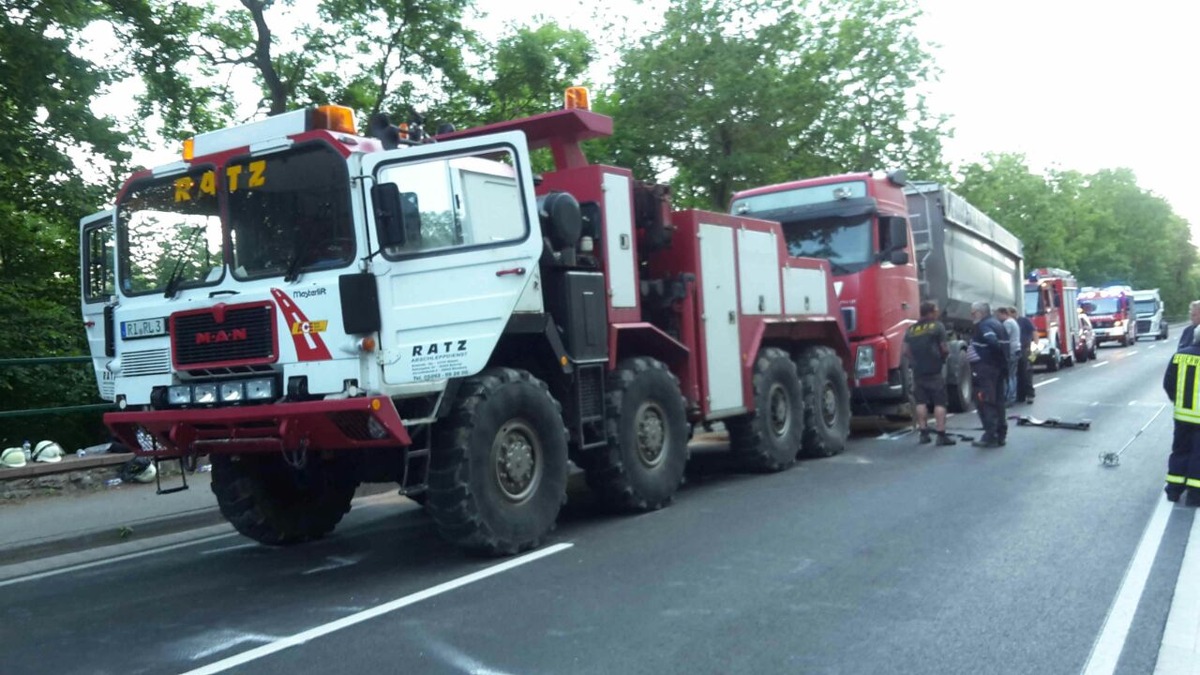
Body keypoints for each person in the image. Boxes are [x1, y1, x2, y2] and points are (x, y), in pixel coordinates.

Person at [904, 302, 957, 446]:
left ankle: (923, 433)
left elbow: (906, 351)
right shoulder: (937, 326)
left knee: (921, 402)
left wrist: (915, 362)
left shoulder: (911, 329)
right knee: (939, 402)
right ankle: (941, 435)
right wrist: (943, 358)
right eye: (936, 310)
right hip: (934, 370)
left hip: (918, 371)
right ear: (930, 312)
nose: (937, 312)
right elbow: (944, 348)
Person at [1162, 330, 1200, 506]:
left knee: (1180, 450)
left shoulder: (1179, 356)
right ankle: (1195, 494)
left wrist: (1176, 400)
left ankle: (1174, 490)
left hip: (1182, 415)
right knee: (1198, 455)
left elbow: (1168, 382)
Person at [969, 301, 1008, 448]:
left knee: (985, 400)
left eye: (973, 313)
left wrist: (989, 358)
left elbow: (992, 342)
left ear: (980, 312)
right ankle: (1000, 433)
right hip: (996, 367)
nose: (971, 316)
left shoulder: (984, 325)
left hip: (986, 369)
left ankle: (990, 434)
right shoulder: (997, 323)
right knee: (998, 400)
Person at [996, 306, 1021, 406]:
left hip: (1011, 351)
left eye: (998, 315)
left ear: (1003, 314)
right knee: (1013, 375)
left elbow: (1004, 337)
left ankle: (1010, 397)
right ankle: (1012, 396)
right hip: (1016, 350)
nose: (997, 317)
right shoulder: (1013, 322)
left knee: (1009, 376)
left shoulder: (1007, 323)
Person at [1014, 307, 1036, 403]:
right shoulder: (1011, 322)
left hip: (1026, 350)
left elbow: (1035, 334)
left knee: (1027, 372)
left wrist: (1035, 352)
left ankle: (1030, 394)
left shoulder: (1024, 321)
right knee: (1019, 373)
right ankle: (1020, 395)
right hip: (1017, 350)